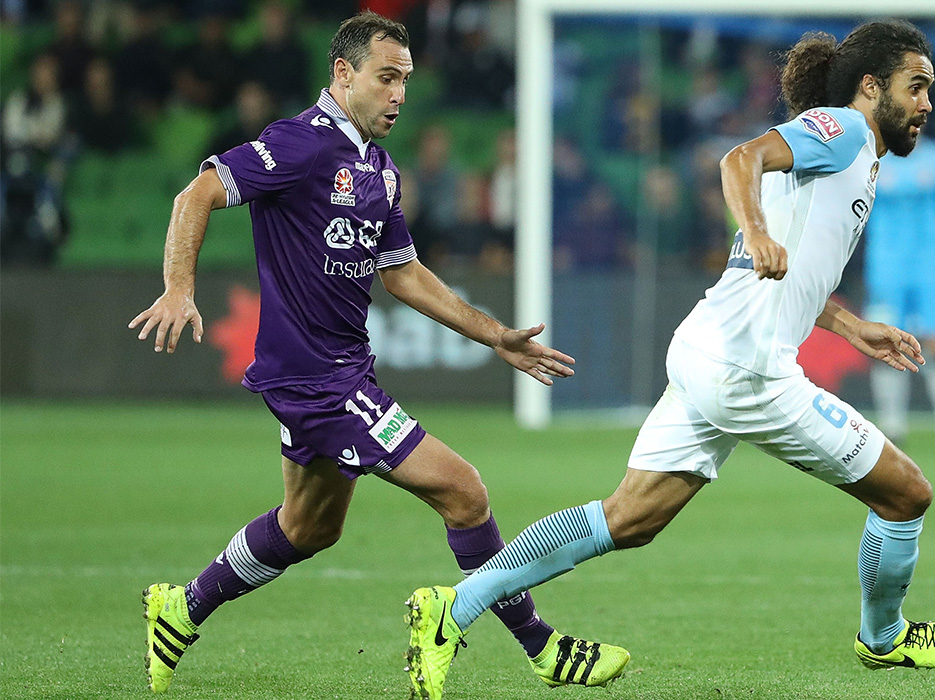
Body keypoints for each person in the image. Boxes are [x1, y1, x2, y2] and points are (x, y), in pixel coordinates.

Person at [403, 20, 935, 700]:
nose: (926, 103)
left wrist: (849, 325)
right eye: (917, 87)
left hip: (708, 348)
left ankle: (452, 608)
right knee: (907, 493)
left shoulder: (858, 158)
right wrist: (759, 230)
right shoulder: (844, 130)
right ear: (870, 86)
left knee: (630, 518)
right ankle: (884, 638)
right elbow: (738, 159)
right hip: (748, 372)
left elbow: (782, 267)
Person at [127, 11, 628, 695]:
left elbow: (405, 274)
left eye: (406, 81)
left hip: (339, 372)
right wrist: (178, 288)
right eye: (385, 77)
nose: (398, 94)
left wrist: (494, 335)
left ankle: (181, 607)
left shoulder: (380, 170)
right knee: (465, 492)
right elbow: (197, 193)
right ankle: (542, 649)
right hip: (318, 381)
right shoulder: (299, 145)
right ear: (344, 74)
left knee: (308, 527)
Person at [864, 133, 935, 448]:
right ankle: (892, 427)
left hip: (930, 266)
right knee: (886, 344)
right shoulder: (874, 156)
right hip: (885, 266)